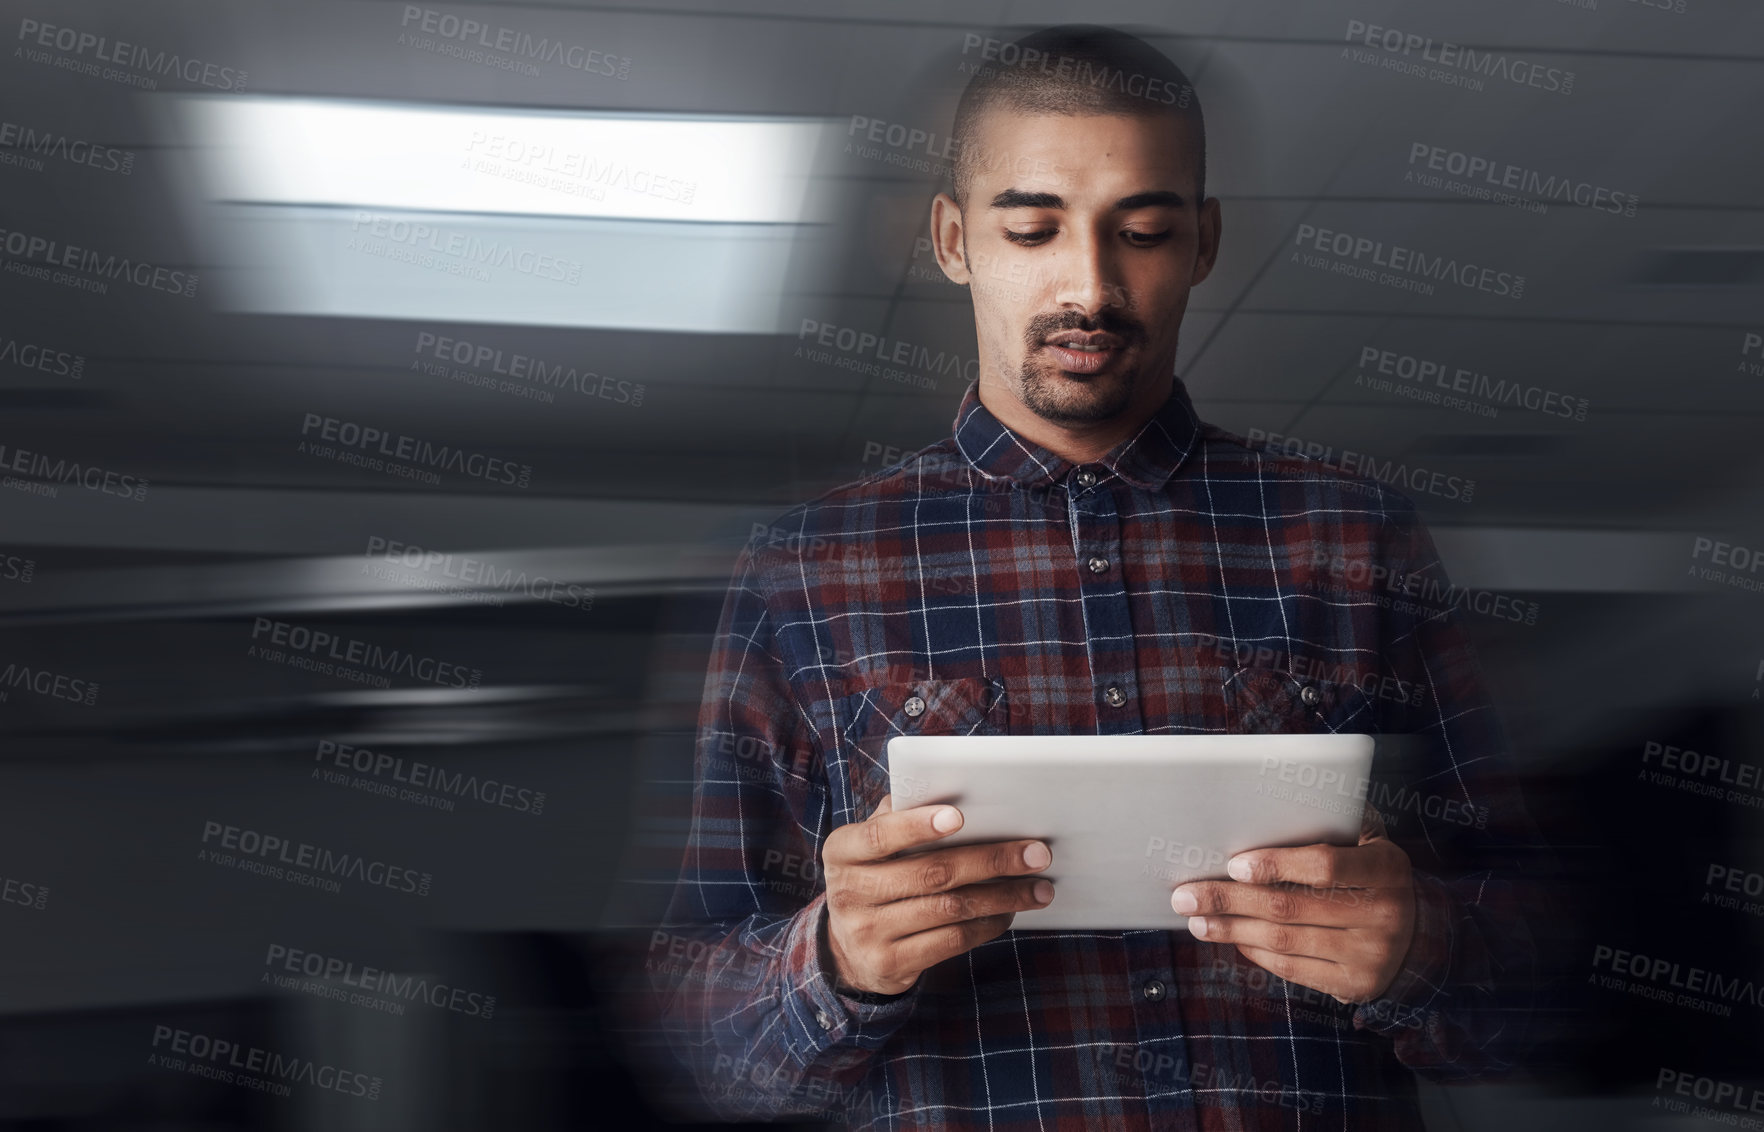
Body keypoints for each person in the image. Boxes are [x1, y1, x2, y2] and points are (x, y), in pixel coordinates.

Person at [649, 23, 1538, 1130]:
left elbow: (1545, 976)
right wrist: (832, 958)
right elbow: (700, 1036)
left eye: (1147, 230)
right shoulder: (801, 571)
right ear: (954, 238)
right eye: (1032, 227)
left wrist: (1422, 947)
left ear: (1203, 242)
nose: (1092, 283)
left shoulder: (1355, 536)